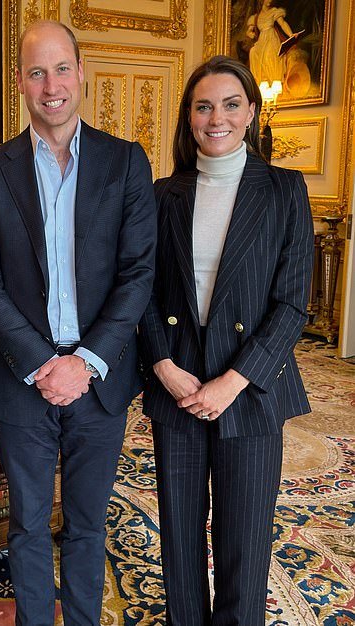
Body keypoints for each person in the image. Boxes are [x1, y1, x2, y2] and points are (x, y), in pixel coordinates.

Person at [0, 20, 156, 625]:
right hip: (25, 378)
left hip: (103, 378)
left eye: (61, 68)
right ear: (19, 81)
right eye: (37, 71)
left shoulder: (126, 162)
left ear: (81, 74)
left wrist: (86, 361)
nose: (51, 85)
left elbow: (138, 274)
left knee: (89, 524)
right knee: (26, 523)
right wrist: (46, 362)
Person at [139, 55, 313, 625]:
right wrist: (163, 366)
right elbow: (139, 291)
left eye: (231, 104)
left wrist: (233, 382)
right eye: (204, 105)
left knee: (245, 539)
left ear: (252, 113)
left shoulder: (285, 190)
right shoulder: (162, 194)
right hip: (179, 383)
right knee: (180, 540)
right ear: (189, 117)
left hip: (252, 389)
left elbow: (292, 304)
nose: (218, 117)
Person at [246, 0, 310, 98]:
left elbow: (283, 24)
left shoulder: (274, 11)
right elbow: (249, 31)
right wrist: (251, 34)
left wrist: (291, 35)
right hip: (262, 39)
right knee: (253, 52)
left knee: (268, 54)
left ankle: (274, 83)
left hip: (271, 38)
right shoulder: (256, 17)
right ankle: (259, 83)